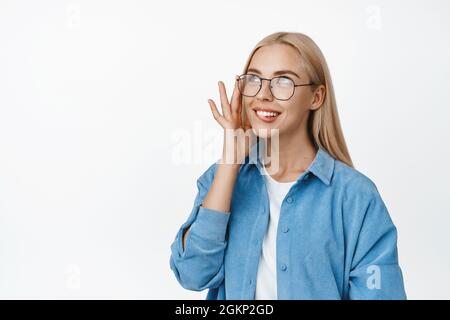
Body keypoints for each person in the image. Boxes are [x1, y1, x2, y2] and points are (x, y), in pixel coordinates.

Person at [169, 31, 406, 299]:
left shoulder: (355, 197)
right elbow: (192, 274)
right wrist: (230, 162)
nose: (263, 94)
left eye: (283, 81)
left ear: (316, 97)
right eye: (254, 79)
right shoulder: (221, 177)